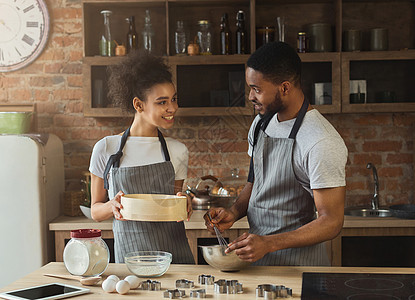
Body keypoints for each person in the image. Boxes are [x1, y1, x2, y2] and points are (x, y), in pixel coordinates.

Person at [205, 42, 348, 266]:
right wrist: (233, 212)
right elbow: (255, 182)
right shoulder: (262, 123)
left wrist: (269, 243)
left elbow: (331, 221)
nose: (251, 96)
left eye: (257, 89)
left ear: (284, 88)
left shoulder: (320, 140)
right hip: (258, 262)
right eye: (250, 88)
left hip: (301, 267)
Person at [89, 50, 194, 264]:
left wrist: (186, 202)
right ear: (139, 105)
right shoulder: (106, 149)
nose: (172, 108)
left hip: (175, 257)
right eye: (162, 102)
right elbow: (95, 211)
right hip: (131, 260)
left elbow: (175, 202)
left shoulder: (177, 151)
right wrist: (112, 206)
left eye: (173, 99)